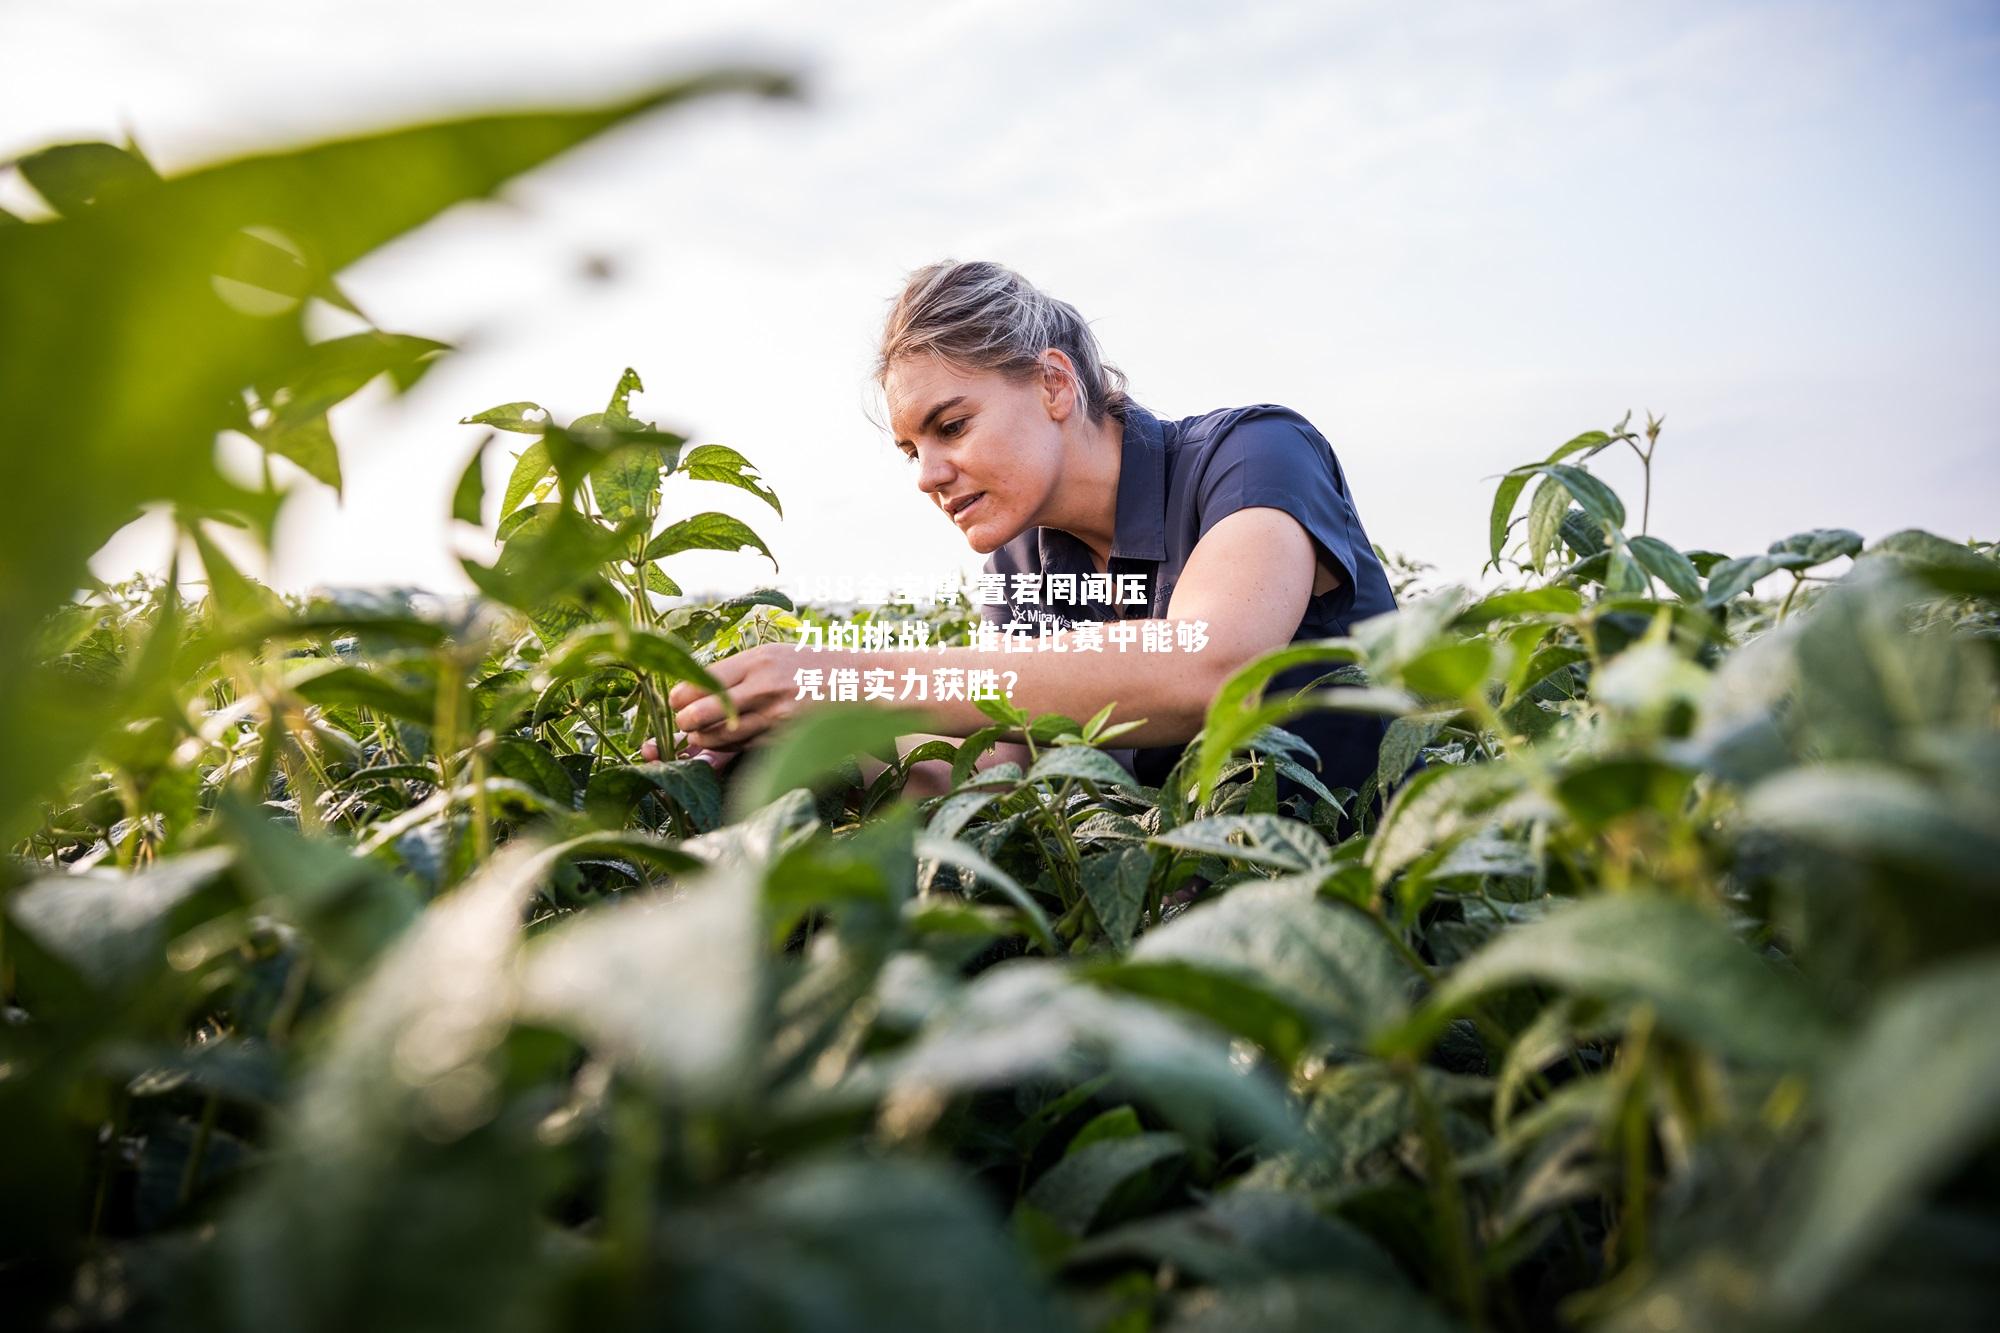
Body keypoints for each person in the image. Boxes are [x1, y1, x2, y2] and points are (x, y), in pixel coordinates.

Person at [650, 260, 1398, 807]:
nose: (927, 475)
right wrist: (803, 751)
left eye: (952, 426)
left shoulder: (1252, 456)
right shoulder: (1024, 560)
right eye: (913, 450)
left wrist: (850, 675)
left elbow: (1207, 663)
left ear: (1053, 383)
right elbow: (994, 767)